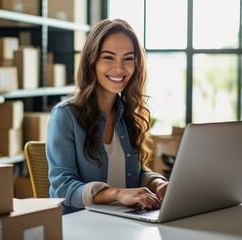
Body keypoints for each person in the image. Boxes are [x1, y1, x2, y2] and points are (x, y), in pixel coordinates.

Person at [46, 18, 168, 214]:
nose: (119, 68)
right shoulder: (65, 116)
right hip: (80, 225)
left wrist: (158, 183)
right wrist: (118, 194)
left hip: (124, 222)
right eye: (108, 57)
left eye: (128, 58)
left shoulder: (128, 114)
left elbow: (133, 174)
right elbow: (63, 187)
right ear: (91, 61)